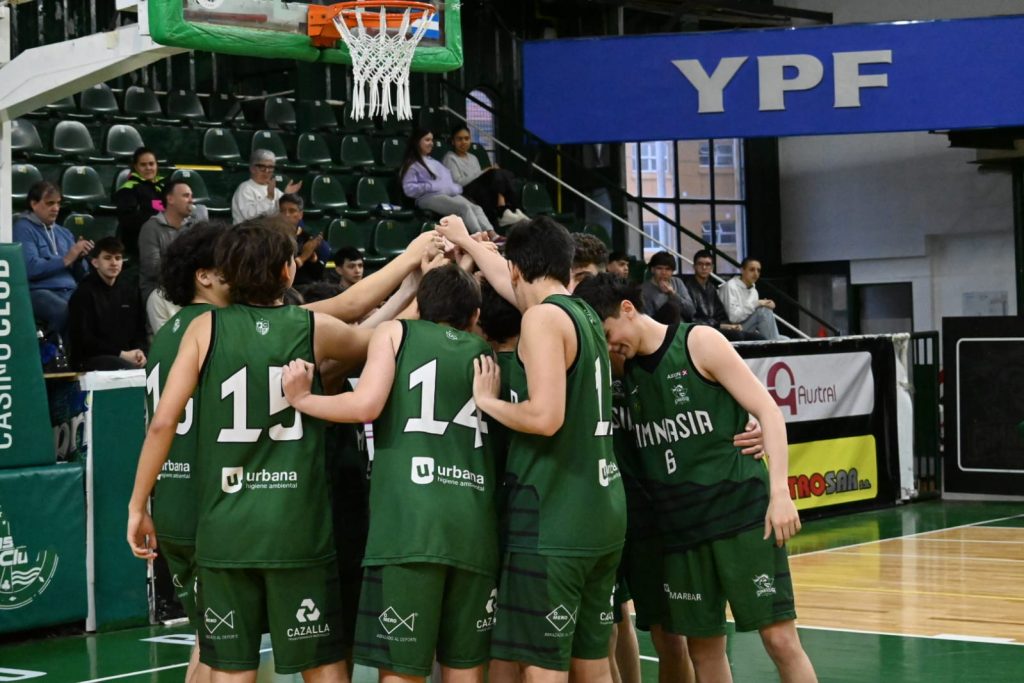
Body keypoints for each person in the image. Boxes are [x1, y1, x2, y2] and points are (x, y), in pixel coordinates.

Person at [127, 221, 375, 681]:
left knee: (229, 667)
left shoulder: (202, 328)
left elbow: (162, 422)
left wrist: (139, 504)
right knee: (322, 664)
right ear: (287, 271)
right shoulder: (310, 326)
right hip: (296, 529)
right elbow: (378, 343)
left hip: (224, 532)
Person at [573, 273, 817, 683]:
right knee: (703, 652)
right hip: (680, 531)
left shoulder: (699, 342)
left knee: (779, 639)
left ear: (628, 310)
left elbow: (769, 412)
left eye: (609, 332)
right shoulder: (621, 377)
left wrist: (780, 493)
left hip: (740, 513)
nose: (609, 345)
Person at [283, 263, 497, 683]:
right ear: (475, 317)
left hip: (409, 526)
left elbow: (364, 406)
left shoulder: (396, 334)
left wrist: (303, 400)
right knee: (465, 670)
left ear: (419, 307)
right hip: (474, 524)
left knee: (401, 670)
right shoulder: (484, 353)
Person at [461, 215, 626, 682]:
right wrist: (466, 243)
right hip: (603, 512)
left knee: (543, 668)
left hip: (556, 518)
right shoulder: (583, 314)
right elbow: (513, 284)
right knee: (593, 664)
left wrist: (488, 402)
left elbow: (544, 416)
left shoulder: (539, 319)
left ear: (517, 268)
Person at [143, 221, 229, 683]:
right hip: (205, 503)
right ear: (205, 275)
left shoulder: (170, 330)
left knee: (209, 641)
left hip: (174, 498)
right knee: (223, 648)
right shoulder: (215, 325)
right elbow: (336, 310)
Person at [13, 181, 91, 339]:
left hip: (69, 289)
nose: (56, 208)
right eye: (49, 203)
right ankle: (54, 355)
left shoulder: (64, 232)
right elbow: (30, 269)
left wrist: (79, 259)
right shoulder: (23, 228)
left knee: (99, 307)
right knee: (65, 310)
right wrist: (67, 258)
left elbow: (81, 276)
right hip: (39, 291)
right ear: (34, 204)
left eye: (58, 203)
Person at [67, 237, 148, 371]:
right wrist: (121, 354)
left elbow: (140, 330)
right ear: (95, 262)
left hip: (126, 356)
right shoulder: (83, 293)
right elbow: (84, 340)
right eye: (107, 258)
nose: (114, 263)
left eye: (118, 258)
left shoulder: (129, 290)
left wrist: (140, 352)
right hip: (91, 360)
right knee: (127, 369)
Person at [401, 128, 496, 237]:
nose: (431, 143)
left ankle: (492, 235)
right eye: (427, 140)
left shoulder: (433, 161)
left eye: (432, 140)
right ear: (417, 142)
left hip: (444, 193)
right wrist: (431, 186)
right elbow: (409, 189)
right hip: (426, 198)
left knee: (476, 207)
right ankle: (480, 237)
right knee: (464, 207)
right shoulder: (411, 164)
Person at [442, 125, 527, 229]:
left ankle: (511, 210)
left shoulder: (473, 158)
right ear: (453, 141)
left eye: (466, 138)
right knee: (495, 174)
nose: (463, 142)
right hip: (464, 192)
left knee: (503, 174)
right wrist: (483, 172)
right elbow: (458, 183)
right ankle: (505, 211)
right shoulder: (450, 158)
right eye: (459, 139)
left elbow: (479, 178)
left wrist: (488, 172)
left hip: (479, 190)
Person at [683, 250, 762, 341]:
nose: (704, 267)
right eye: (700, 264)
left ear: (712, 267)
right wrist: (720, 325)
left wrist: (730, 326)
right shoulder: (687, 286)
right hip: (699, 330)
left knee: (759, 338)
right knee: (737, 336)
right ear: (694, 266)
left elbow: (721, 314)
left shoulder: (711, 288)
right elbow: (692, 317)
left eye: (708, 264)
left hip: (715, 328)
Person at [139, 179, 195, 307]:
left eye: (192, 196)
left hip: (186, 288)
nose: (192, 201)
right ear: (170, 199)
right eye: (186, 196)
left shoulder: (193, 227)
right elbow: (152, 269)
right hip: (159, 291)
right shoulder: (151, 228)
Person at [114, 147, 164, 262]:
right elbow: (128, 220)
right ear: (136, 167)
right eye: (143, 165)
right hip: (140, 242)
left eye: (151, 164)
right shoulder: (128, 189)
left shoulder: (164, 187)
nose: (148, 168)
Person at [720, 257, 786, 340]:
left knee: (787, 339)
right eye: (752, 270)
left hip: (747, 326)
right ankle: (774, 343)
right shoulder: (730, 286)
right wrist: (757, 303)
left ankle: (774, 340)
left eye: (758, 270)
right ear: (742, 270)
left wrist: (766, 303)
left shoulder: (754, 290)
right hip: (732, 328)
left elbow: (753, 311)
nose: (756, 274)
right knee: (763, 311)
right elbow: (734, 318)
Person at [231, 148, 302, 224]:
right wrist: (269, 198)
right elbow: (248, 216)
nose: (267, 171)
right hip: (247, 233)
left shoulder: (275, 191)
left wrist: (286, 195)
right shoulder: (245, 188)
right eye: (262, 167)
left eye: (270, 167)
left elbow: (281, 213)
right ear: (252, 168)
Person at [278, 193, 331, 288]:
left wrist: (313, 259)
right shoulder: (272, 238)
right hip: (284, 289)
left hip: (307, 288)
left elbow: (318, 275)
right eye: (283, 211)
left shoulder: (308, 238)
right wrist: (302, 258)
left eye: (292, 211)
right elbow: (279, 273)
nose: (286, 215)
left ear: (300, 215)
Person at [641, 251, 695, 323]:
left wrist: (673, 294)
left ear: (672, 271)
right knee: (672, 307)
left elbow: (691, 311)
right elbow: (647, 321)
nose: (663, 272)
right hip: (659, 328)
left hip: (682, 327)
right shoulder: (644, 290)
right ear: (652, 270)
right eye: (659, 268)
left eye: (668, 269)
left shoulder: (677, 282)